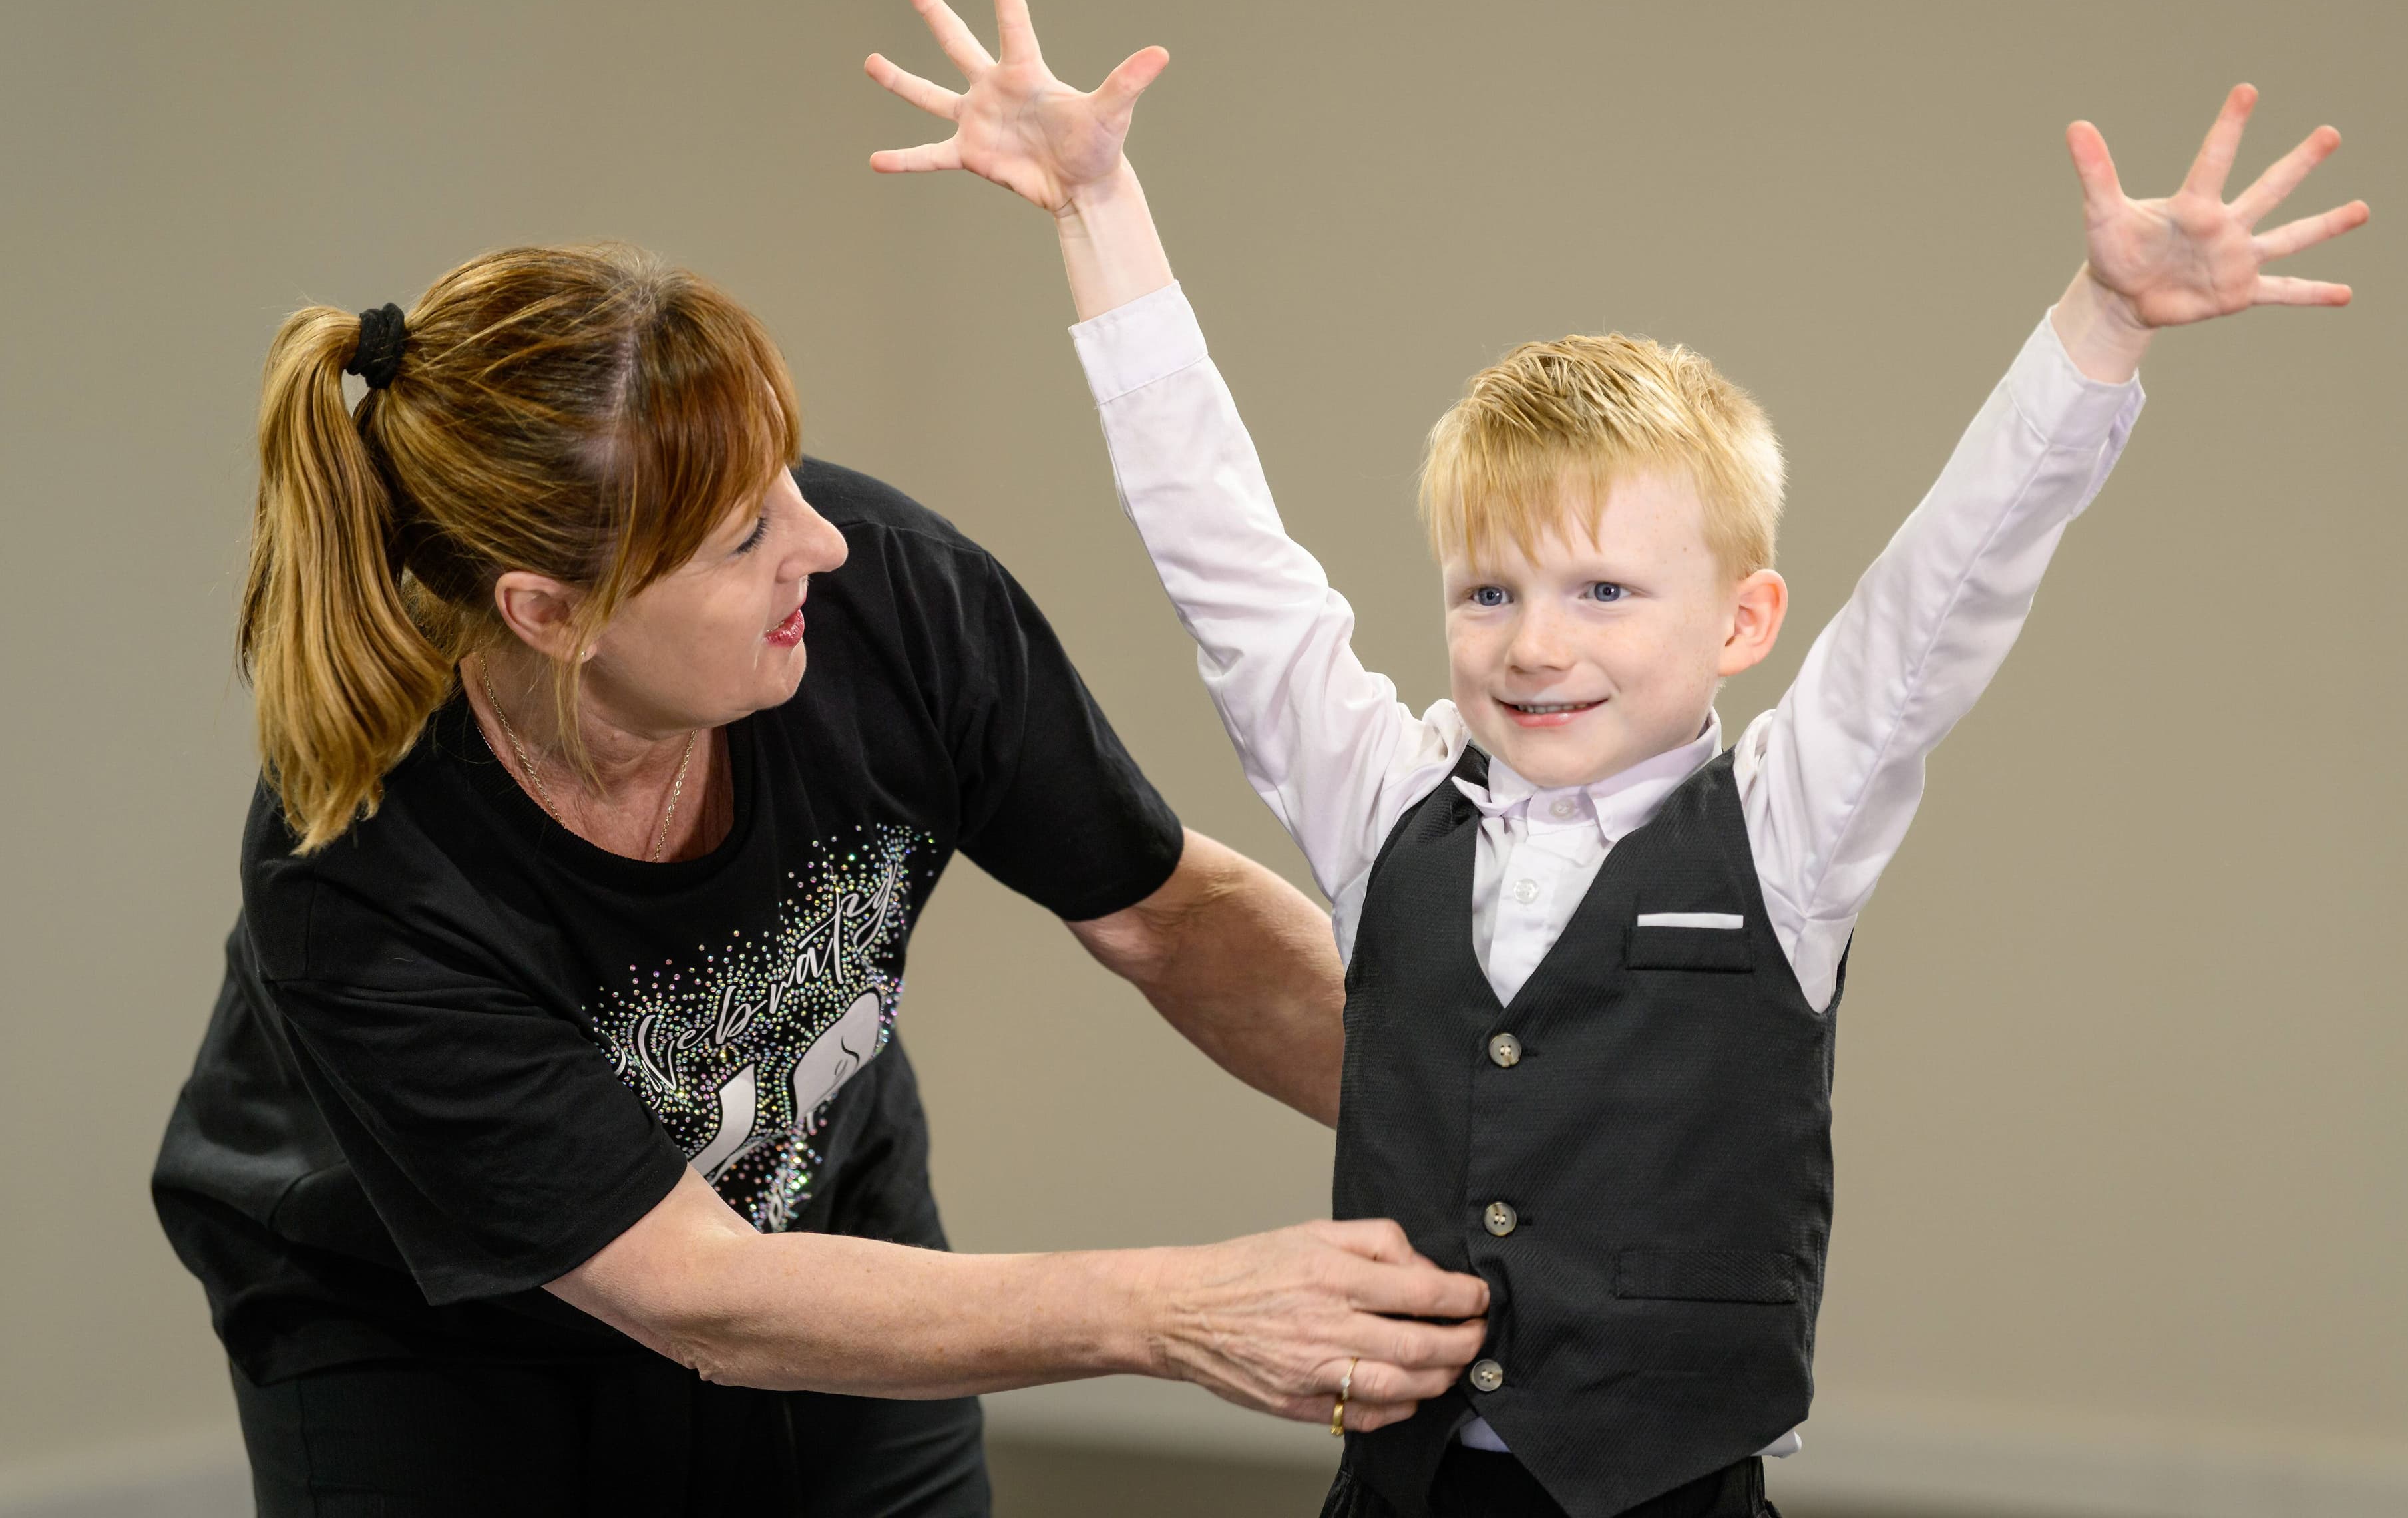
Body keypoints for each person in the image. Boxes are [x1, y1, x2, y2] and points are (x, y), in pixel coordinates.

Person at [863, 0, 2368, 1518]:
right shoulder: (1389, 806)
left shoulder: (1789, 830)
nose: (1536, 642)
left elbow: (1951, 584)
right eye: (1490, 588)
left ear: (1742, 621)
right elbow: (1223, 557)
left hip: (1667, 1495)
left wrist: (2104, 323)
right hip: (1402, 1486)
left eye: (1603, 589)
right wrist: (1098, 215)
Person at [153, 240, 1494, 1517]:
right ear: (549, 609)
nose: (824, 542)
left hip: (816, 1205)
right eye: (744, 536)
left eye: (788, 477)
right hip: (426, 1329)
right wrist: (1176, 1308)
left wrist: (1510, 1114)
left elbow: (1172, 917)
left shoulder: (887, 599)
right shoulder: (366, 876)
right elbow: (697, 1292)